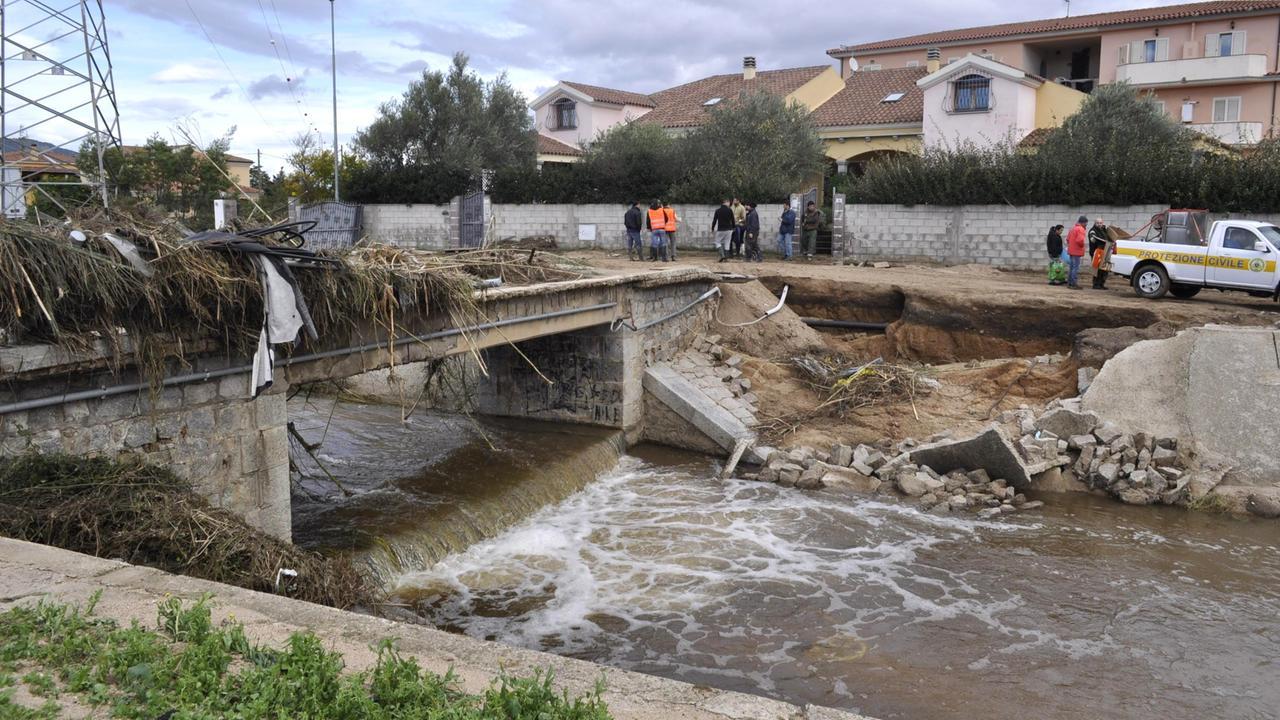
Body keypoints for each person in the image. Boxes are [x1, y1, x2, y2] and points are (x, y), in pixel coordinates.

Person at [1065, 215, 1088, 290]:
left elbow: (1067, 239)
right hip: (1076, 252)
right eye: (1086, 223)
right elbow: (1080, 240)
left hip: (1071, 251)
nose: (1086, 224)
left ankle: (1069, 283)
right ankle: (1073, 284)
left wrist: (1071, 245)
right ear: (1084, 222)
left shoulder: (1073, 228)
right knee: (1075, 268)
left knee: (1071, 267)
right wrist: (1082, 246)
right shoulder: (1081, 229)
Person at [1088, 218, 1110, 289]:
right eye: (1097, 223)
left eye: (1100, 223)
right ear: (1095, 223)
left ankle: (1101, 284)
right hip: (1096, 252)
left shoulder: (1104, 230)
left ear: (1102, 223)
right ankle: (1096, 284)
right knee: (1097, 269)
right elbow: (1093, 240)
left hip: (1105, 252)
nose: (1099, 224)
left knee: (1104, 269)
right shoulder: (1092, 231)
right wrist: (1102, 242)